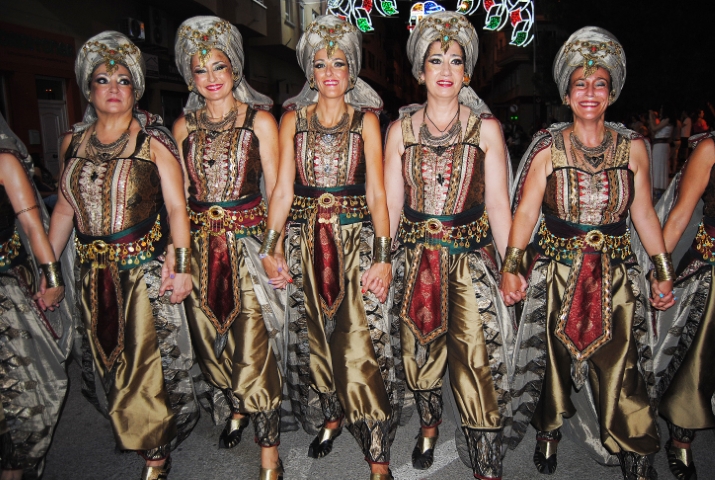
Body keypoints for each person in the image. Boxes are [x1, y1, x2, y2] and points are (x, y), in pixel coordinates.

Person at [502, 27, 675, 480]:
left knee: (623, 366)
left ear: (612, 92)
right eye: (580, 83)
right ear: (566, 92)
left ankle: (635, 449)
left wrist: (661, 270)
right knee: (552, 361)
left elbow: (644, 213)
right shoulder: (548, 148)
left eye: (600, 84)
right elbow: (526, 213)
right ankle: (549, 431)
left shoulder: (633, 147)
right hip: (557, 274)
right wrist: (512, 267)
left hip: (615, 277)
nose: (590, 93)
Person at [47, 31, 200, 479]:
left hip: (141, 274)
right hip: (90, 276)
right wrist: (49, 271)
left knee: (146, 366)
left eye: (123, 80)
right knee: (108, 364)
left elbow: (177, 207)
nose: (113, 88)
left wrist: (182, 265)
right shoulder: (72, 142)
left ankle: (156, 455)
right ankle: (136, 431)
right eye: (102, 79)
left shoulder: (152, 141)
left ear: (136, 89)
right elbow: (64, 209)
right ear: (88, 88)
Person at [260, 15, 403, 480]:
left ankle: (377, 454)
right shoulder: (291, 120)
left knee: (361, 341)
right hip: (304, 243)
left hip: (354, 243)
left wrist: (383, 256)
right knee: (315, 340)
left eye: (338, 62)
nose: (329, 72)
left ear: (352, 70)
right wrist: (271, 247)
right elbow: (282, 190)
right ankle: (331, 415)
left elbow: (377, 194)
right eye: (320, 64)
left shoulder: (367, 122)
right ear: (309, 72)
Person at [383, 12, 514, 480]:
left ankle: (485, 453)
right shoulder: (399, 131)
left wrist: (511, 266)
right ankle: (429, 425)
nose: (445, 69)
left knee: (478, 358)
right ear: (420, 71)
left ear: (467, 72)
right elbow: (391, 206)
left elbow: (497, 205)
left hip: (470, 262)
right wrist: (381, 261)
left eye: (455, 60)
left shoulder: (486, 130)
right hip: (416, 261)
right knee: (420, 355)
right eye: (435, 60)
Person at [173, 16, 284, 480]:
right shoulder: (182, 127)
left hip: (248, 248)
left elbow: (277, 190)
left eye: (219, 66)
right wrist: (177, 256)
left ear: (235, 68)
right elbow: (178, 199)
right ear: (190, 77)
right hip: (201, 252)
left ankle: (269, 452)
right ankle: (237, 406)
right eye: (201, 70)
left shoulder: (260, 121)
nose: (211, 77)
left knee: (254, 344)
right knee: (210, 344)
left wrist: (273, 248)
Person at [0, 113, 73, 479]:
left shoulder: (4, 162)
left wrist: (53, 277)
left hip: (5, 293)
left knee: (22, 392)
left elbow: (31, 225)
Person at [652, 130, 715, 480]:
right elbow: (680, 215)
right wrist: (660, 271)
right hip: (711, 268)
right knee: (698, 358)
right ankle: (681, 439)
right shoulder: (709, 148)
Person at [649, 109, 674, 195]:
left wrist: (651, 117)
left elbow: (654, 128)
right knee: (657, 166)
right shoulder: (665, 121)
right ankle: (657, 187)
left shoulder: (667, 120)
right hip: (660, 145)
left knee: (659, 166)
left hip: (661, 145)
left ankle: (658, 188)